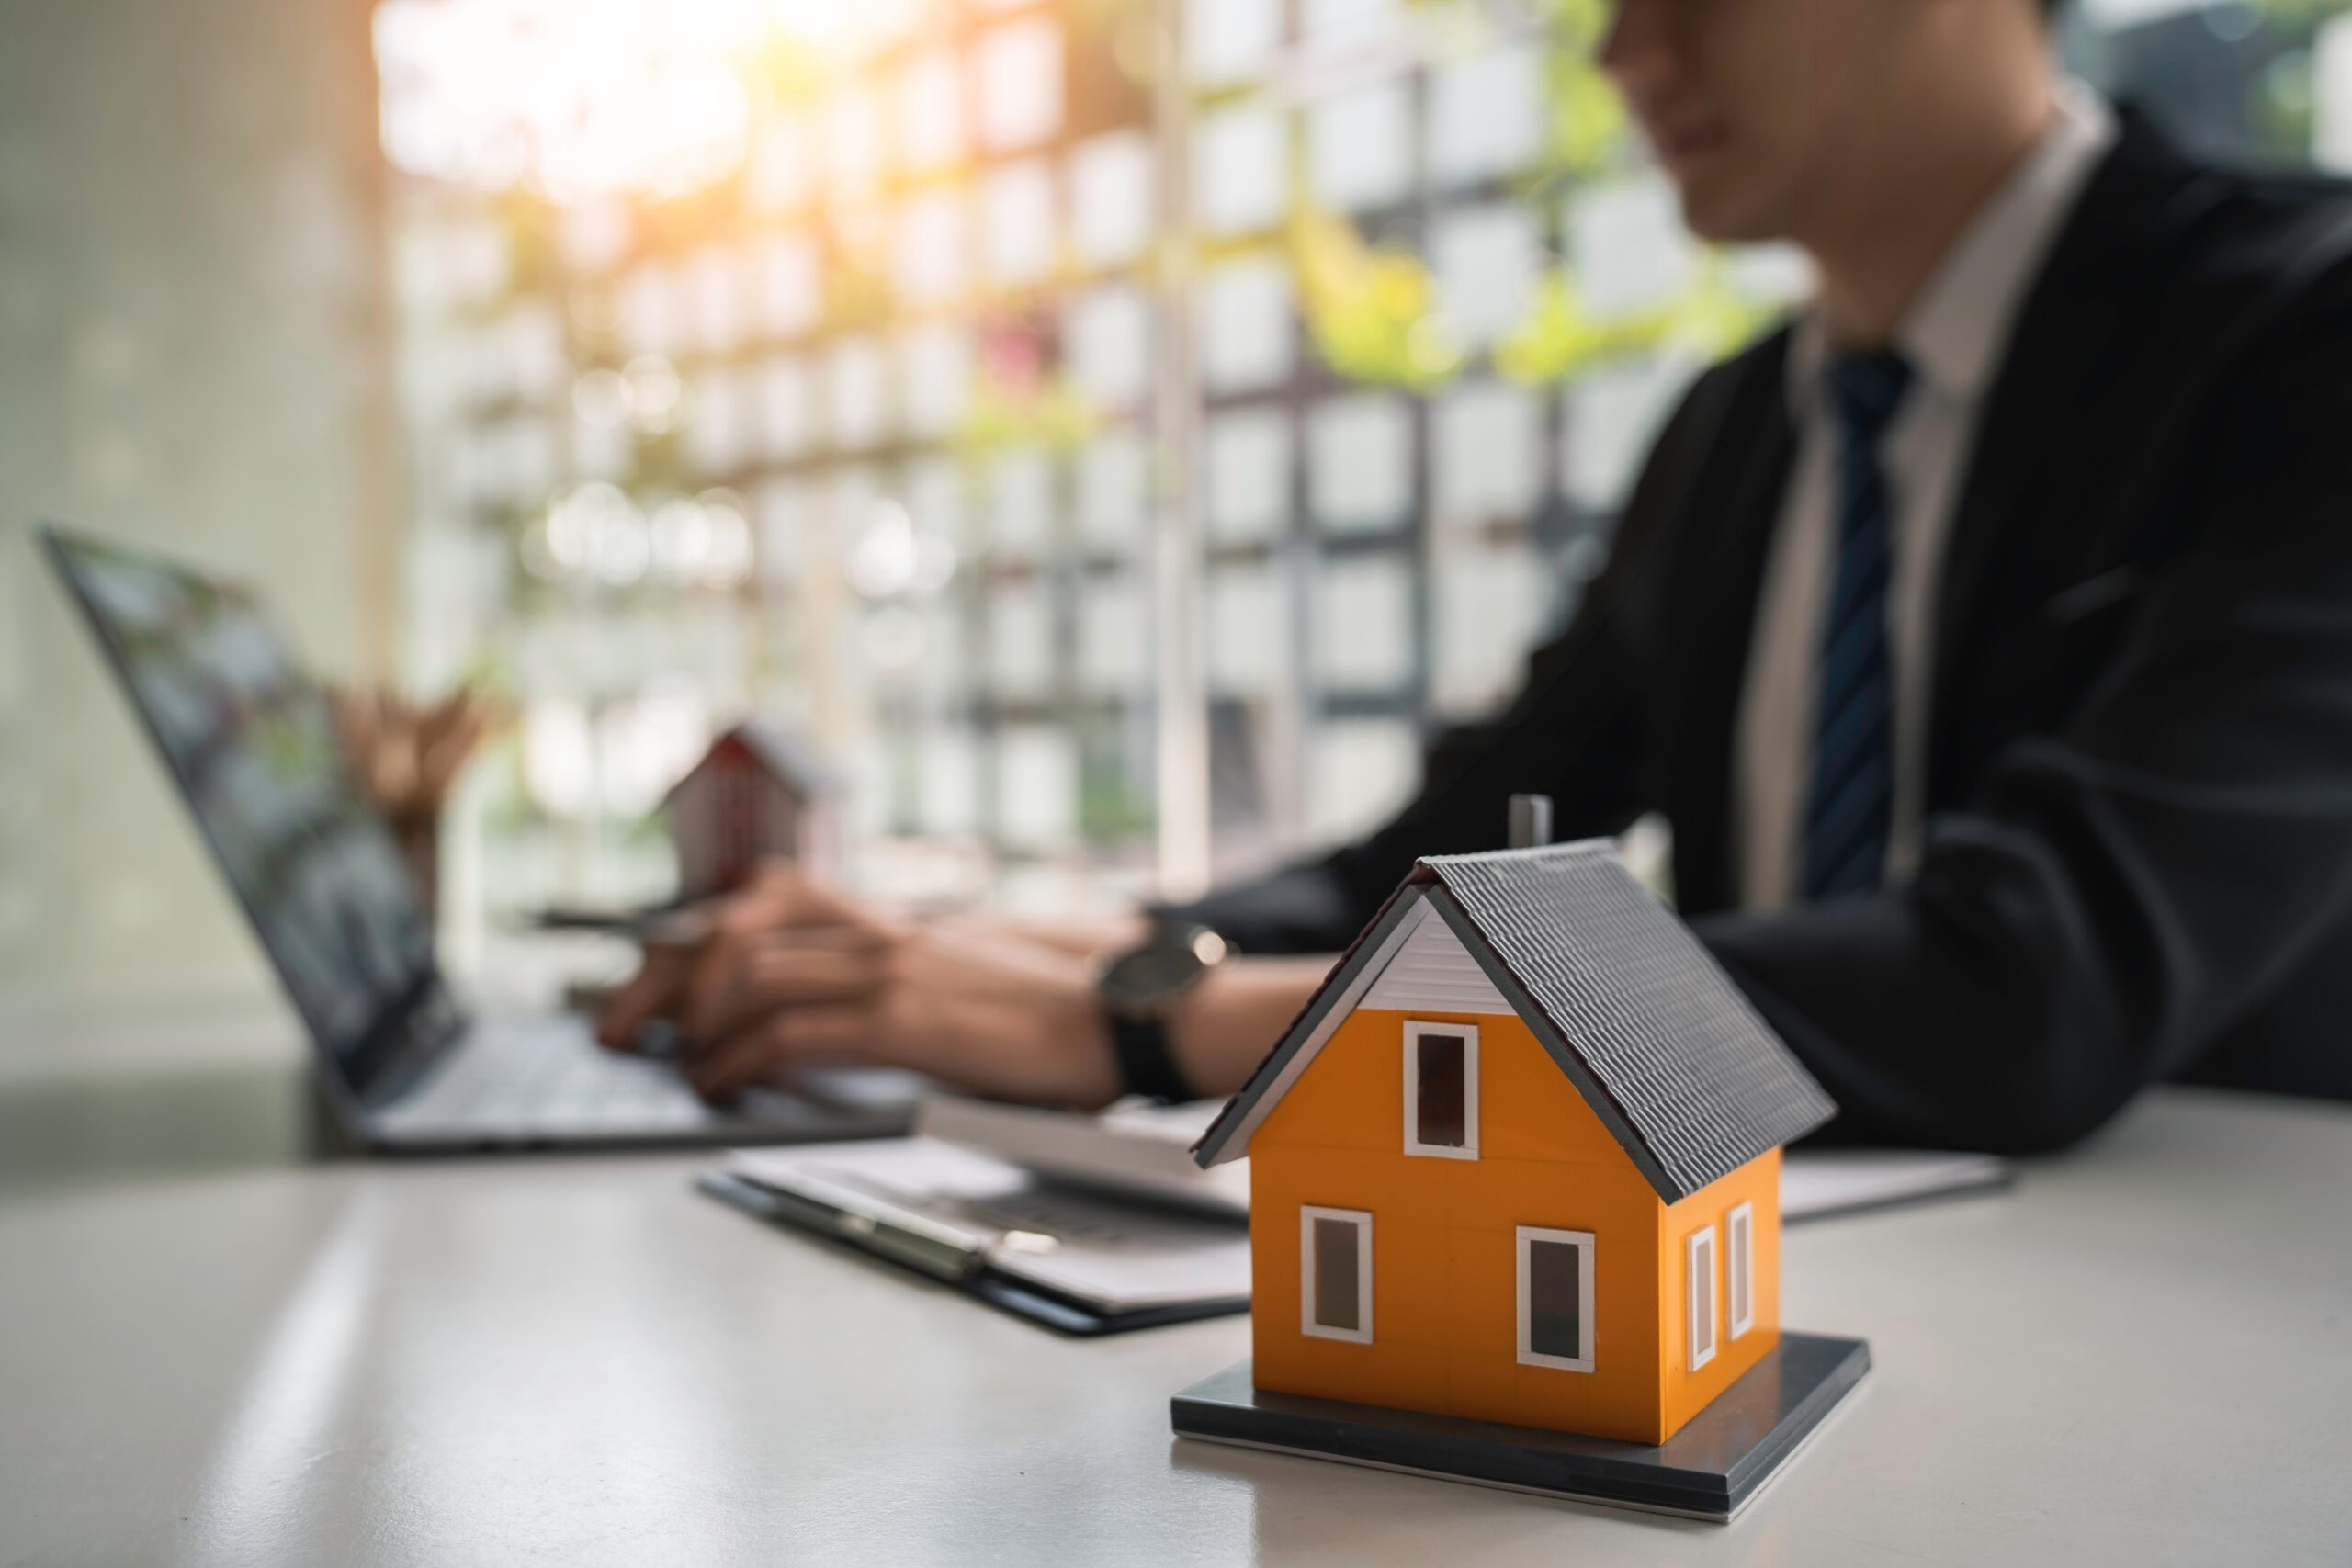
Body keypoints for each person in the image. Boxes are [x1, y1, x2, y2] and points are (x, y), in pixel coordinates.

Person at [601, 0, 2352, 1151]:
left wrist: (1148, 1031)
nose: (1627, 51)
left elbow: (2019, 990)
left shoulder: (2301, 342)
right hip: (1768, 1309)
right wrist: (982, 961)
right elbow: (1425, 873)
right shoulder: (1740, 433)